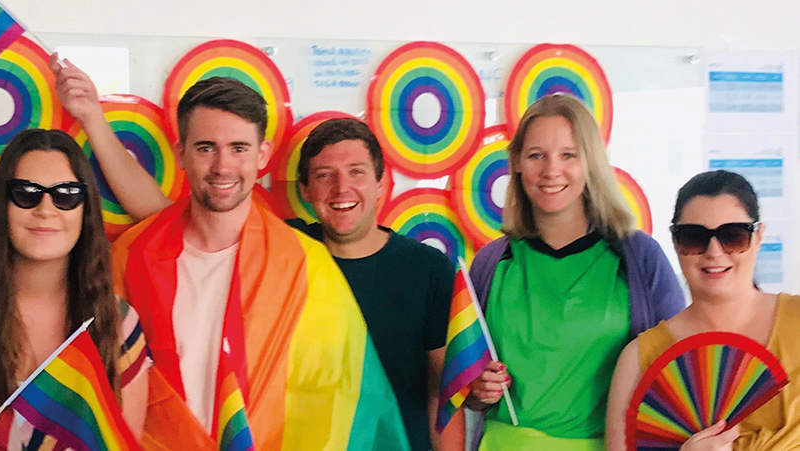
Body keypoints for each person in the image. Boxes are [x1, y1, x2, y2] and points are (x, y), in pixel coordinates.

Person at [86, 70, 408, 448]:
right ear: (181, 154)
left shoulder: (305, 265)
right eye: (206, 147)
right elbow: (103, 386)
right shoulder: (131, 256)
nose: (222, 166)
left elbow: (343, 397)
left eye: (238, 148)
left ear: (262, 155)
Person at [0, 129, 150, 450]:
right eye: (27, 192)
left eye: (66, 194)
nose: (46, 209)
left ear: (85, 209)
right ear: (3, 205)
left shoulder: (120, 326)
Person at [464, 94, 685, 449]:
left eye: (568, 154)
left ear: (591, 162)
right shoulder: (490, 264)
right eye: (536, 155)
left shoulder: (640, 259)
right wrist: (477, 390)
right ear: (517, 163)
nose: (551, 170)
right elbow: (467, 389)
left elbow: (678, 376)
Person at [286, 117, 465, 450]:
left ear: (382, 182)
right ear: (304, 189)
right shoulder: (284, 252)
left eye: (357, 172)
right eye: (325, 175)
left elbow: (441, 395)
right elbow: (200, 215)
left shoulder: (429, 270)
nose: (342, 189)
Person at [606, 170, 800, 450]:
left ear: (758, 237)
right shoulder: (638, 361)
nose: (714, 251)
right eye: (694, 237)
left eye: (732, 236)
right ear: (675, 243)